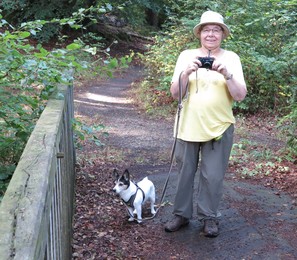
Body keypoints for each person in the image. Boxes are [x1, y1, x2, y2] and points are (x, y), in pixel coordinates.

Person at [164, 10, 247, 237]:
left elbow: (240, 96)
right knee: (184, 173)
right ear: (199, 33)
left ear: (223, 34)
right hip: (187, 125)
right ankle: (181, 214)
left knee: (213, 175)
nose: (211, 34)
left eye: (216, 30)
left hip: (219, 127)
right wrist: (185, 73)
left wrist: (227, 75)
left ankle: (209, 217)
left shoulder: (232, 58)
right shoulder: (186, 55)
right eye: (207, 29)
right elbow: (174, 94)